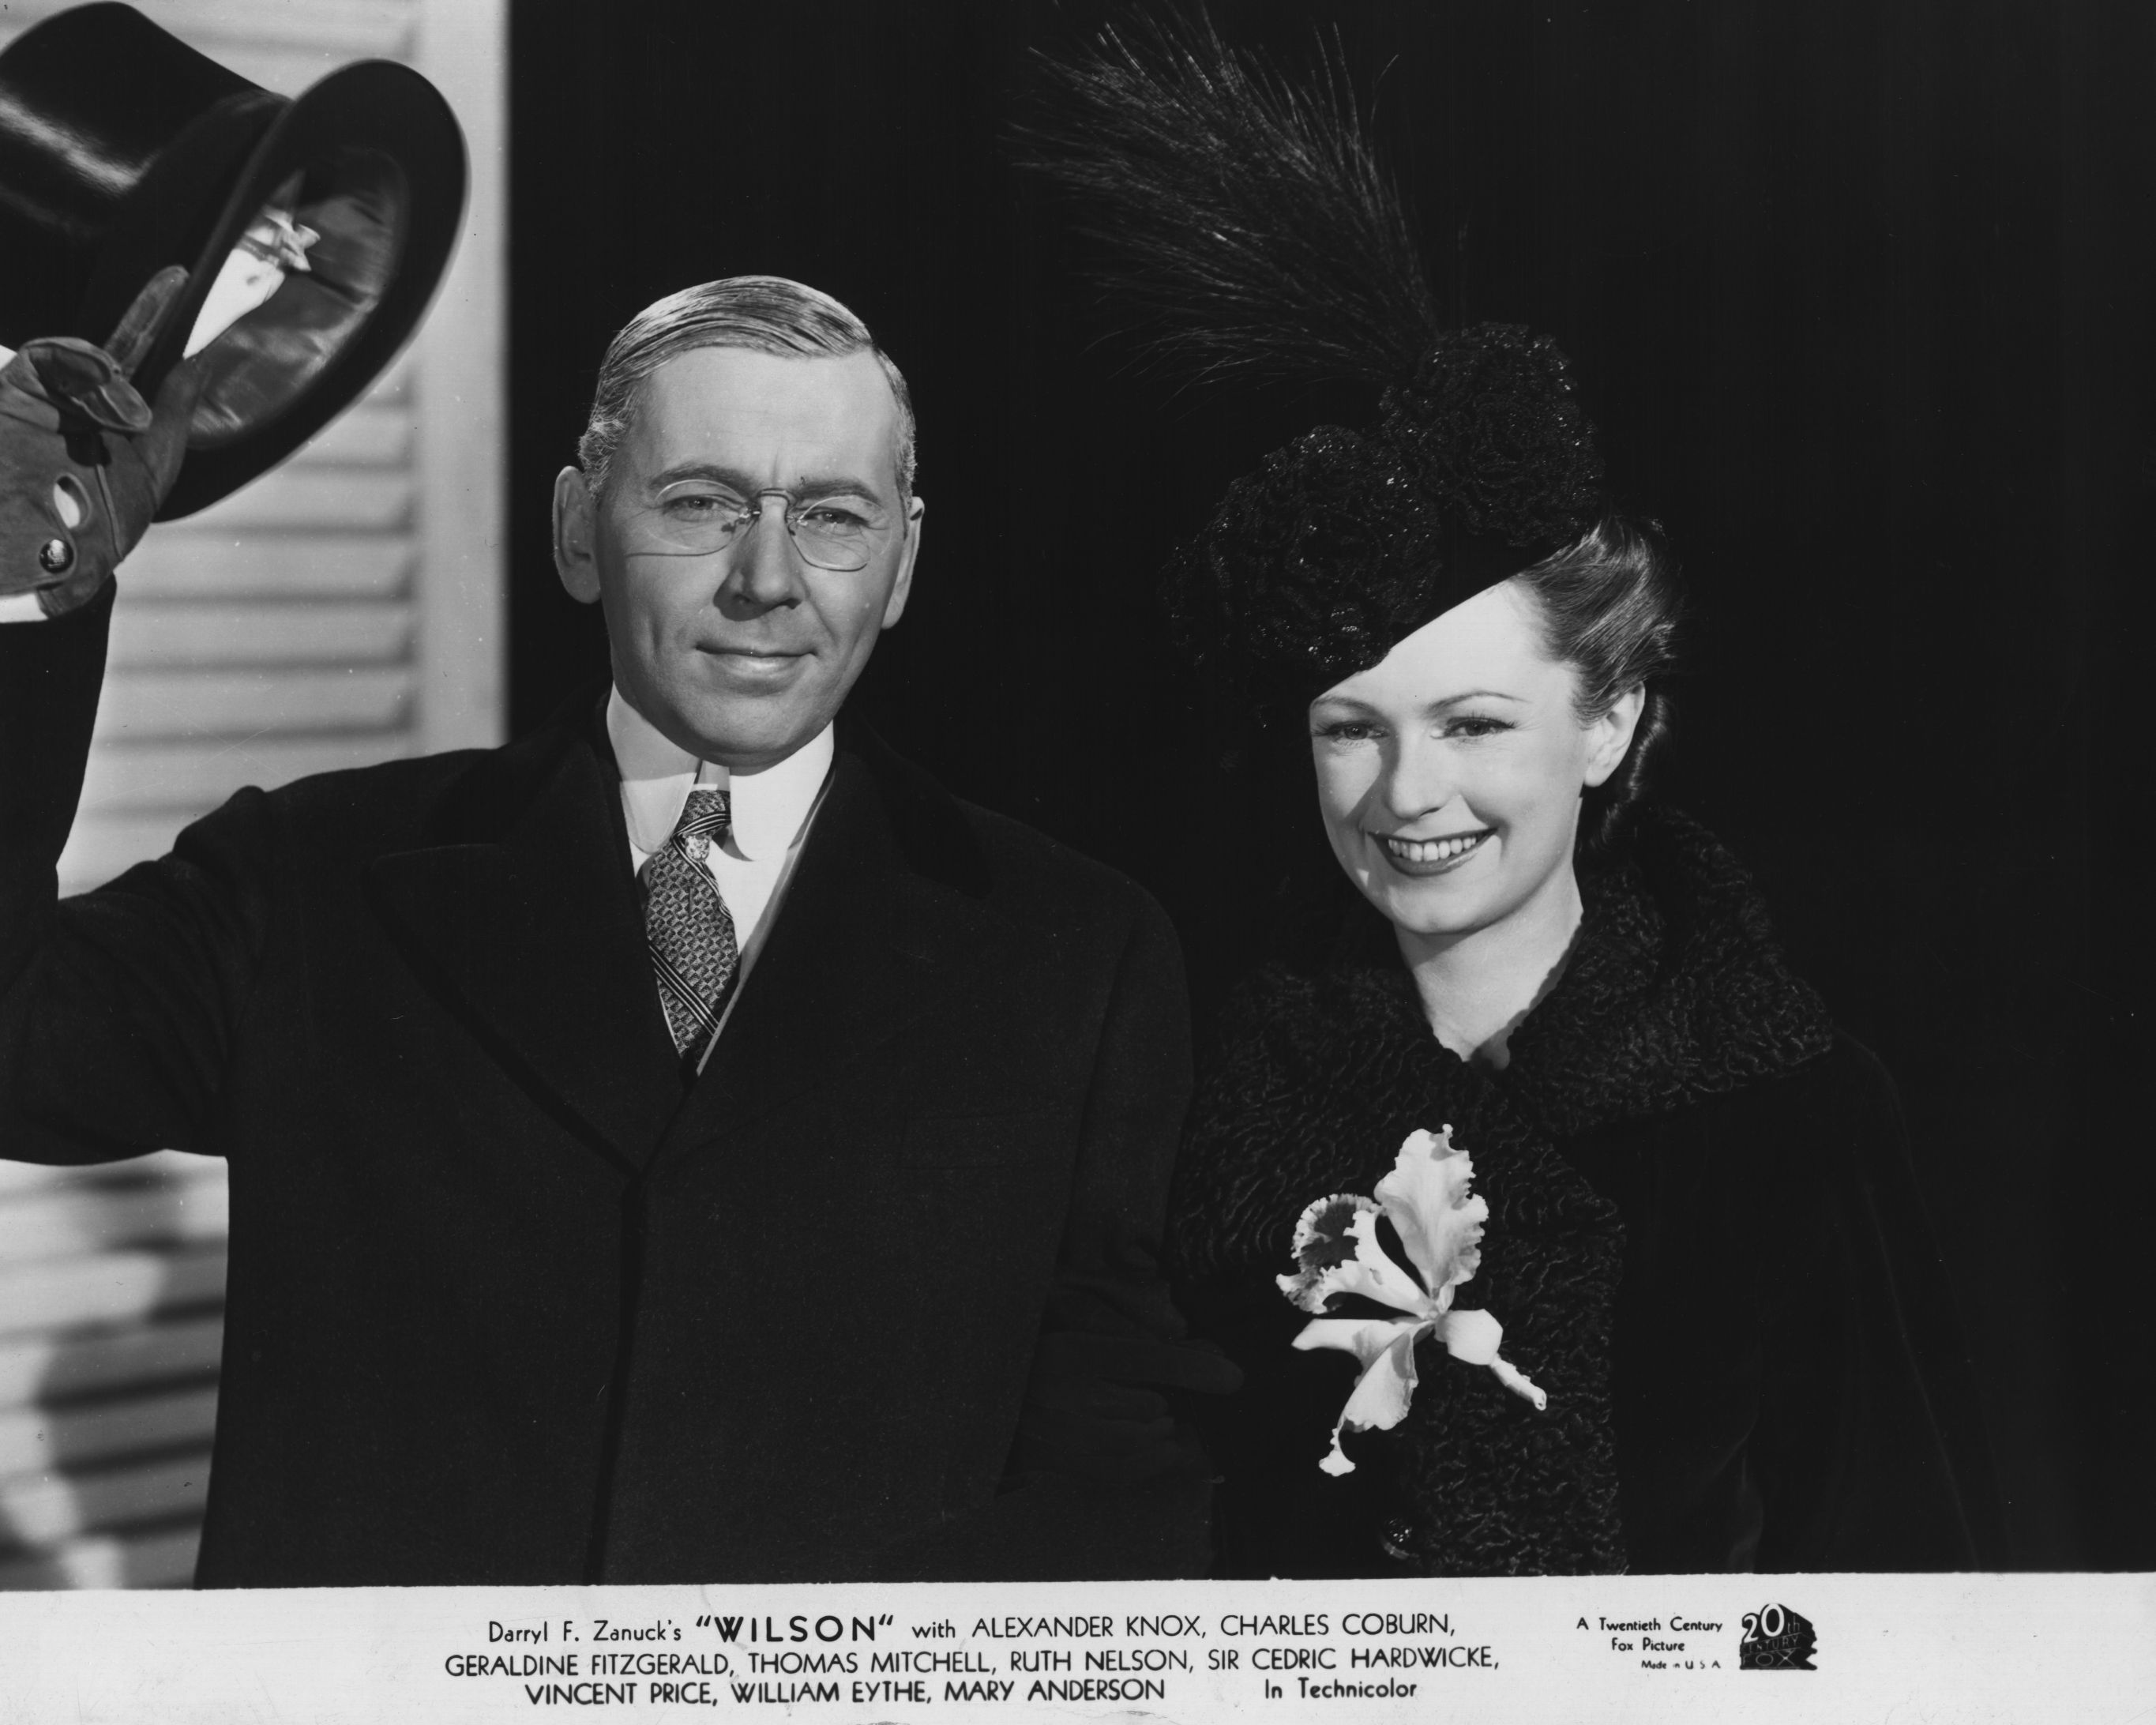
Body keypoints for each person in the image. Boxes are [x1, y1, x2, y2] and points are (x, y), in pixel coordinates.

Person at [0, 270, 1231, 1585]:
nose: (767, 580)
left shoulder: (1075, 949)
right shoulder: (312, 878)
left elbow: (1117, 1468)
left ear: (904, 563)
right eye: (700, 504)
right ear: (578, 529)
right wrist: (25, 596)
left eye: (830, 517)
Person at [1028, 22, 2001, 1576]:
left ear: (1609, 722)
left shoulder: (1789, 1118)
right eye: (1353, 728)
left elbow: (1905, 1596)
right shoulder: (1204, 1097)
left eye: (1476, 722)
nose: (1409, 792)